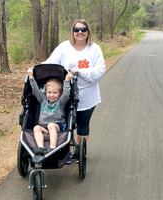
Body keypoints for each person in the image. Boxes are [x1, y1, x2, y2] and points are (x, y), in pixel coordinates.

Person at [42, 19, 106, 163]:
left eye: (83, 29)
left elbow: (99, 72)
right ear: (73, 32)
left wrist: (80, 71)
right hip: (66, 94)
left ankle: (81, 151)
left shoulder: (94, 49)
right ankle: (67, 151)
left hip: (87, 95)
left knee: (83, 123)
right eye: (76, 30)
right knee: (65, 122)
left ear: (88, 31)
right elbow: (51, 62)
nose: (80, 32)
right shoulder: (65, 47)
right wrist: (36, 69)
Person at [27, 68, 73, 155]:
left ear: (60, 93)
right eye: (49, 92)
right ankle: (40, 147)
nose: (52, 95)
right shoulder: (43, 99)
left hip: (57, 125)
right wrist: (31, 77)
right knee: (36, 128)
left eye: (55, 93)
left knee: (51, 125)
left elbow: (67, 94)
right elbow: (35, 90)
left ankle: (52, 147)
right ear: (45, 92)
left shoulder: (61, 101)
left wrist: (67, 80)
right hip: (44, 127)